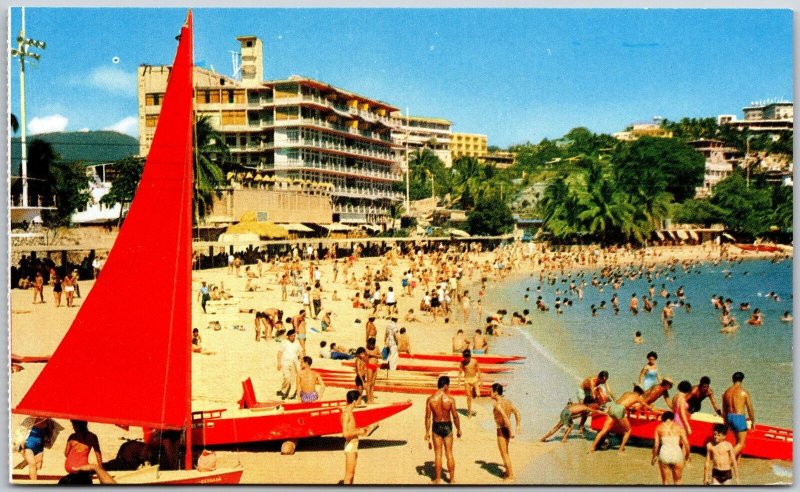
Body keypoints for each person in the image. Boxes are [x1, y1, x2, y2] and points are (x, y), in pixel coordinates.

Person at [589, 385, 655, 454]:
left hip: (613, 407)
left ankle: (592, 449)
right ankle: (620, 450)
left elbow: (621, 401)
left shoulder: (626, 393)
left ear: (634, 390)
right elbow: (649, 408)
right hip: (620, 409)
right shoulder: (638, 397)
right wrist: (656, 410)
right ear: (640, 393)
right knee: (628, 431)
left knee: (603, 430)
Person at [424, 376, 462, 484]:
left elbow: (427, 417)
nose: (448, 387)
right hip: (447, 426)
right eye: (448, 385)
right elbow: (455, 416)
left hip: (436, 426)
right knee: (449, 453)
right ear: (445, 385)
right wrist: (458, 429)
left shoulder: (431, 399)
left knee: (438, 454)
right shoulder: (450, 399)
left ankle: (438, 480)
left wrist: (427, 432)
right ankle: (452, 479)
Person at [62, 420, 116, 484]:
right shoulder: (93, 437)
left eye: (74, 425)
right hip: (83, 468)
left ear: (79, 425)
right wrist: (101, 469)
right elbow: (97, 453)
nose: (73, 427)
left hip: (70, 467)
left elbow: (66, 453)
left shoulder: (72, 437)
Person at [341, 389, 373, 484]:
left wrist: (361, 429)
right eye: (359, 400)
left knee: (352, 474)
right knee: (348, 475)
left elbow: (351, 429)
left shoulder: (350, 412)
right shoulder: (347, 414)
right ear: (354, 401)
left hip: (353, 445)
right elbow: (345, 434)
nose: (360, 402)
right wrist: (359, 432)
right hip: (350, 446)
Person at [490, 383, 521, 481]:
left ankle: (511, 475)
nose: (489, 393)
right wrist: (518, 425)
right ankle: (507, 472)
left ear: (495, 393)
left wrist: (511, 430)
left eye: (491, 391)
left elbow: (504, 417)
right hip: (506, 429)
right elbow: (517, 412)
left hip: (502, 429)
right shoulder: (508, 402)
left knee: (504, 453)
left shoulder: (497, 404)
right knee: (506, 452)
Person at [651, 411, 690, 485]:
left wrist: (654, 456)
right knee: (678, 481)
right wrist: (687, 456)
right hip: (677, 454)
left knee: (665, 481)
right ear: (673, 418)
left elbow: (656, 445)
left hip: (664, 454)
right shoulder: (679, 428)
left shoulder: (659, 428)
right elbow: (686, 444)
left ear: (663, 418)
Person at [722, 371, 755, 458]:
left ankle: (735, 464)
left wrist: (725, 422)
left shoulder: (726, 392)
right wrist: (753, 421)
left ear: (732, 379)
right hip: (739, 417)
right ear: (742, 380)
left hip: (729, 417)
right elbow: (750, 408)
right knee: (741, 444)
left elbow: (724, 410)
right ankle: (727, 460)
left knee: (737, 443)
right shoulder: (744, 392)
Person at [540, 402, 606, 443]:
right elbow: (596, 411)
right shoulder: (586, 408)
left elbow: (576, 414)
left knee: (558, 427)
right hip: (567, 414)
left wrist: (588, 414)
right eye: (593, 405)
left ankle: (543, 438)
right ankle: (564, 438)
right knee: (571, 426)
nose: (593, 406)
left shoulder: (580, 404)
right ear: (590, 404)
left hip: (564, 411)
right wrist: (606, 413)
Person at [277, 330, 302, 400]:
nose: (293, 337)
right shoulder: (284, 342)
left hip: (294, 362)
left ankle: (290, 394)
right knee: (287, 377)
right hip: (285, 362)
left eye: (294, 336)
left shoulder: (297, 343)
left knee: (294, 379)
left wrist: (303, 362)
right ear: (288, 336)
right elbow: (279, 353)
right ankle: (283, 390)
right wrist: (279, 363)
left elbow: (301, 353)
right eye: (292, 336)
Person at [457, 349, 482, 417]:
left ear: (470, 356)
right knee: (468, 396)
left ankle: (474, 390)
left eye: (468, 358)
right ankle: (469, 412)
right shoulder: (462, 363)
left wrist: (481, 380)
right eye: (465, 358)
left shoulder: (474, 361)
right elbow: (460, 373)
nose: (466, 359)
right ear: (463, 357)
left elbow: (479, 370)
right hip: (467, 380)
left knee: (478, 395)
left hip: (474, 379)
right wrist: (458, 383)